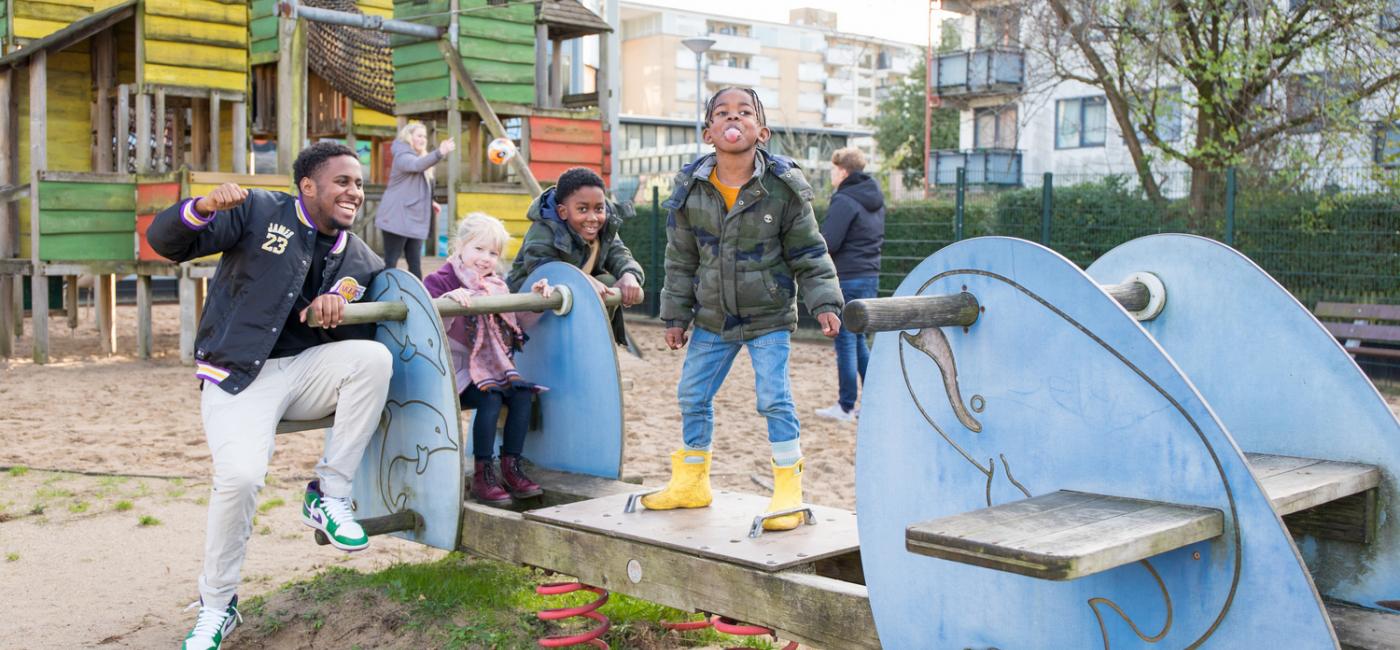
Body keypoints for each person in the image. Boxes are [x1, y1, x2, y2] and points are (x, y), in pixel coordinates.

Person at [148, 142, 392, 650]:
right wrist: (203, 208)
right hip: (239, 373)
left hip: (304, 373)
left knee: (373, 361)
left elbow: (360, 304)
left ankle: (329, 495)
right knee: (238, 479)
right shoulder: (259, 211)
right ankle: (217, 606)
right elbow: (165, 242)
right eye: (343, 181)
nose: (354, 192)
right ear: (308, 186)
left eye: (360, 184)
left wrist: (339, 302)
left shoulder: (362, 257)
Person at [645, 87, 844, 532]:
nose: (733, 119)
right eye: (722, 113)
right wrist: (676, 316)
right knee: (692, 395)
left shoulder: (783, 188)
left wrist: (825, 301)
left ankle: (788, 489)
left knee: (773, 398)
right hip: (712, 318)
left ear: (762, 130)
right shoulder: (691, 189)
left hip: (768, 316)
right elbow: (680, 259)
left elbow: (809, 252)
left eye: (744, 113)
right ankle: (692, 481)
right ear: (708, 132)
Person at [423, 212, 553, 505]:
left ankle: (511, 467)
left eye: (493, 252)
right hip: (453, 367)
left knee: (521, 395)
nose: (485, 258)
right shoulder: (440, 280)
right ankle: (483, 473)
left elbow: (516, 324)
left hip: (489, 365)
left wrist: (535, 300)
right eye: (478, 249)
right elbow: (426, 329)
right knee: (490, 397)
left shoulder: (497, 285)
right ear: (459, 246)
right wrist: (447, 304)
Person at [505, 166, 644, 345]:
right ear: (563, 212)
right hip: (533, 308)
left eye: (599, 209)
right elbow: (543, 270)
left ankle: (594, 343)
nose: (593, 217)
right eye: (583, 209)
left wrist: (630, 275)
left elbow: (620, 254)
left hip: (569, 302)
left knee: (608, 282)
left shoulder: (604, 226)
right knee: (594, 285)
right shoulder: (543, 229)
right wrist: (582, 280)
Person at [815, 147, 885, 422]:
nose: (832, 174)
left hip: (846, 277)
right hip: (870, 275)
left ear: (843, 171)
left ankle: (845, 406)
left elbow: (829, 242)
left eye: (833, 169)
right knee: (859, 342)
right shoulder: (875, 198)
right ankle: (874, 400)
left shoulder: (844, 199)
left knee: (845, 341)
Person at [376, 122, 455, 278]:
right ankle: (381, 297)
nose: (423, 139)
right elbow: (417, 165)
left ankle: (419, 298)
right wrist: (439, 152)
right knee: (391, 263)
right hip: (396, 219)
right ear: (408, 137)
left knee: (415, 263)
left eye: (425, 136)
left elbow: (415, 187)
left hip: (414, 220)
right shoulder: (402, 155)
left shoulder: (421, 157)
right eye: (419, 135)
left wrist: (430, 202)